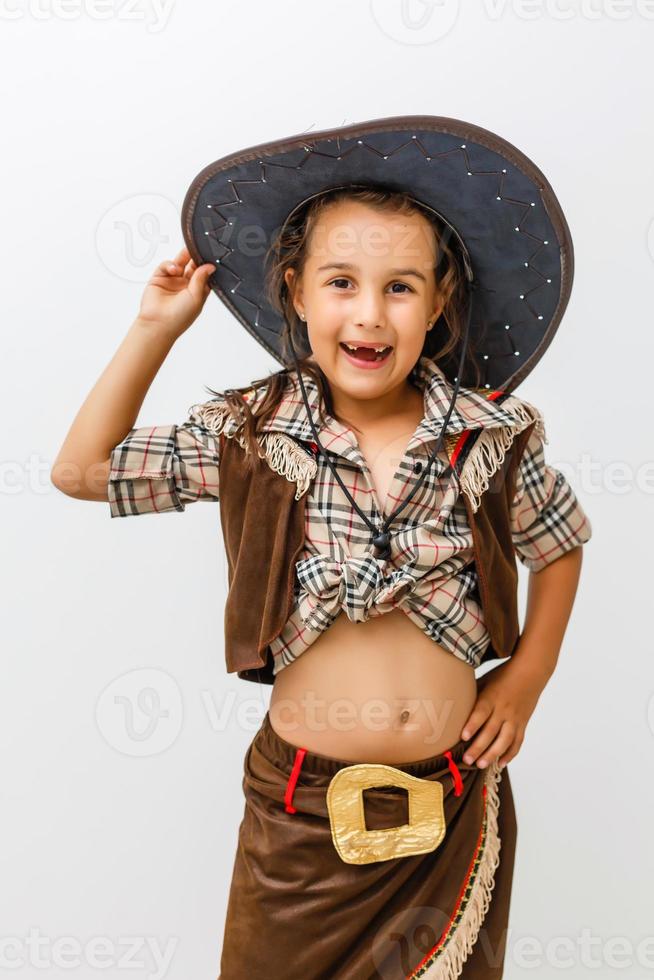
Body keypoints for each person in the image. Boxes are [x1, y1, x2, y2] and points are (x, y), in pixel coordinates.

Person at [51, 116, 592, 979]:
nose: (369, 313)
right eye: (342, 282)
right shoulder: (253, 436)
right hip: (302, 813)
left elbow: (558, 546)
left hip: (451, 804)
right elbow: (81, 471)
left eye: (402, 287)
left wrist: (527, 677)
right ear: (296, 295)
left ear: (440, 303)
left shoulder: (487, 439)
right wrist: (156, 328)